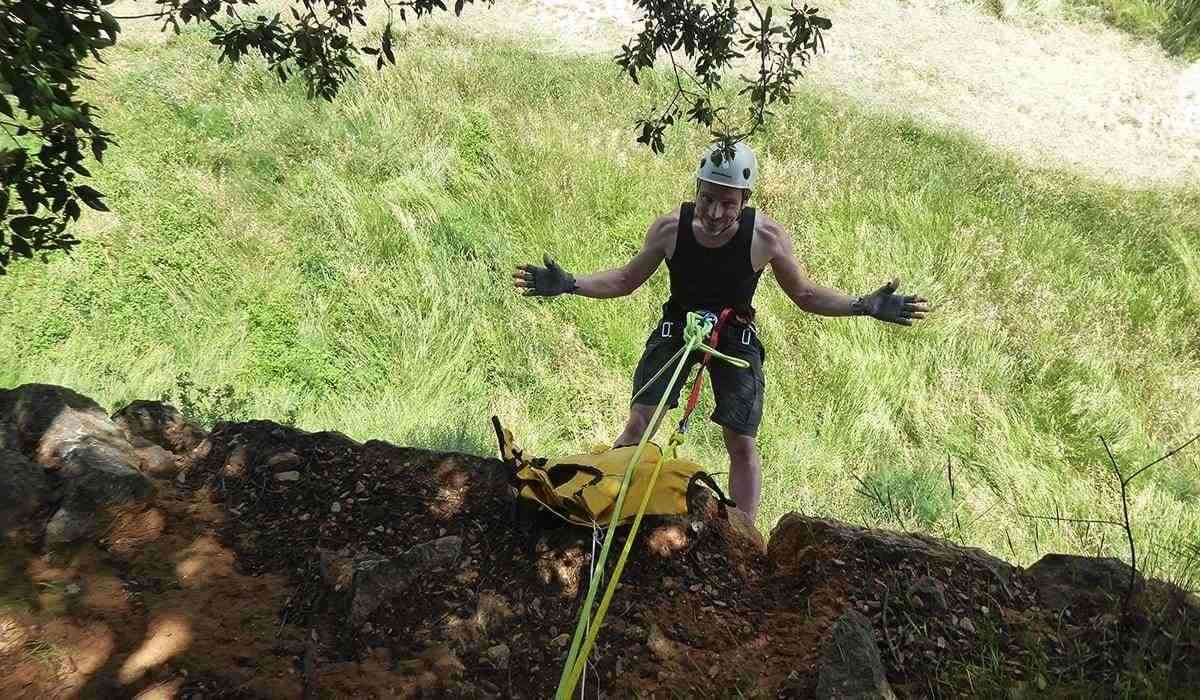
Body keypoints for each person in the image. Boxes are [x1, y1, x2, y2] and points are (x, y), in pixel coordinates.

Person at [512, 141, 931, 522]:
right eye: (707, 198)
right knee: (639, 423)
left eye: (727, 203)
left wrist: (863, 306)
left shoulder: (764, 238)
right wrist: (569, 284)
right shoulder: (669, 230)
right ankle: (603, 502)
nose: (714, 212)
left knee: (742, 442)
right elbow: (624, 280)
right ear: (696, 189)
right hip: (680, 325)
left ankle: (746, 533)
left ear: (745, 200)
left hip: (734, 336)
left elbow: (804, 294)